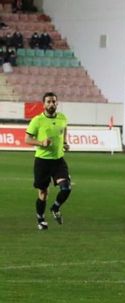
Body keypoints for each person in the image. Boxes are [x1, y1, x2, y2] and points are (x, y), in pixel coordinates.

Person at [25, 92, 71, 230]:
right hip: (42, 161)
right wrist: (41, 142)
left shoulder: (63, 118)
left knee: (66, 188)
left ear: (57, 103)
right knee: (43, 193)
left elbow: (64, 130)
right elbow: (27, 139)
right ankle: (41, 219)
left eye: (54, 101)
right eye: (49, 102)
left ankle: (55, 208)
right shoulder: (37, 120)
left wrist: (65, 142)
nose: (51, 104)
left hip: (58, 160)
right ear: (43, 104)